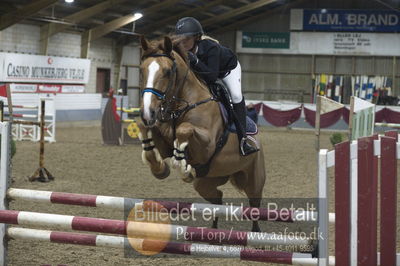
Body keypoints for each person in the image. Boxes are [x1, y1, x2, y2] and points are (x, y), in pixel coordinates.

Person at [175, 17, 258, 156]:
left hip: (227, 70)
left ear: (196, 37)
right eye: (180, 39)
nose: (183, 43)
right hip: (205, 72)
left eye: (186, 39)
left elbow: (212, 77)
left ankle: (243, 139)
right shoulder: (181, 50)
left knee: (236, 96)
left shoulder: (211, 48)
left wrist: (194, 60)